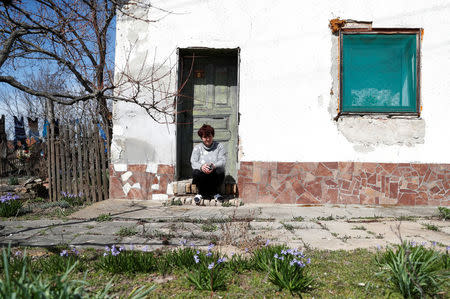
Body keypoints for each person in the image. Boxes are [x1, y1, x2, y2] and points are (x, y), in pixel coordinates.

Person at [190, 124, 226, 205]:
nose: (208, 139)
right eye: (205, 137)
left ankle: (215, 193)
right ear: (201, 138)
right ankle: (200, 194)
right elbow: (193, 162)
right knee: (196, 172)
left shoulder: (219, 147)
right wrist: (201, 167)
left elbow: (222, 161)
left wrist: (213, 166)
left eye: (209, 136)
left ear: (212, 135)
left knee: (220, 171)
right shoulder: (197, 148)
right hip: (202, 173)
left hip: (214, 172)